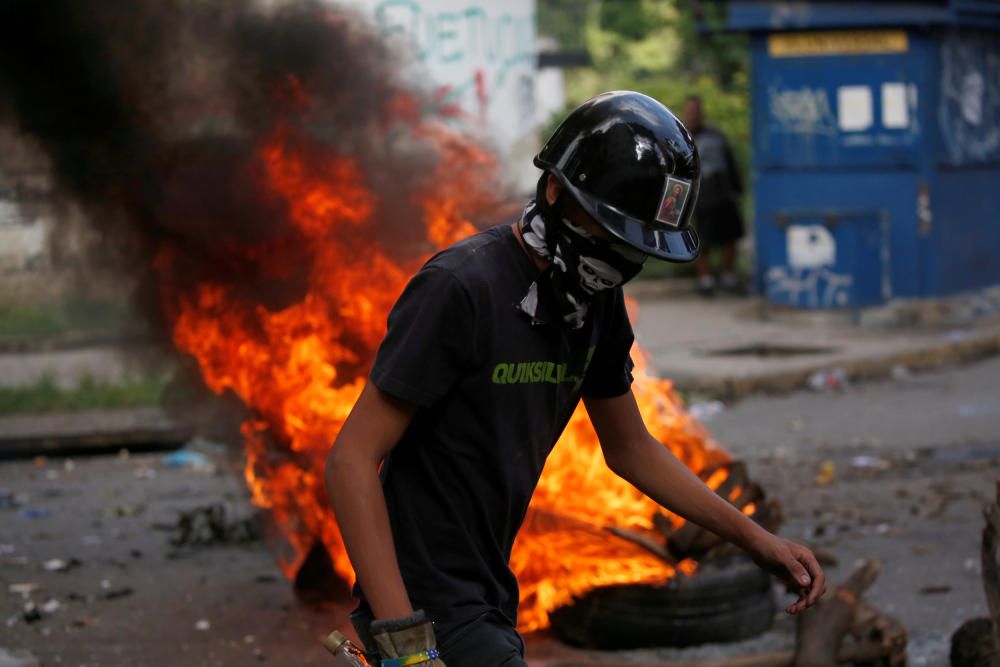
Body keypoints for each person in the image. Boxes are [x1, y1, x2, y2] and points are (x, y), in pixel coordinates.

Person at [326, 91, 825, 667]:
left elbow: (631, 448)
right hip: (421, 602)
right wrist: (403, 641)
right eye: (610, 235)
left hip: (488, 588)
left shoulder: (595, 302)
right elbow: (352, 460)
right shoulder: (461, 288)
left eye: (634, 247)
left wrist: (756, 540)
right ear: (557, 194)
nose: (618, 260)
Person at [682, 94, 745, 297]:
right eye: (690, 111)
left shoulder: (716, 135)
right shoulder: (680, 138)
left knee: (730, 237)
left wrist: (736, 187)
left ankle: (728, 276)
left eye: (696, 111)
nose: (694, 115)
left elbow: (730, 162)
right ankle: (706, 280)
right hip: (698, 199)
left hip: (722, 194)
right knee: (700, 240)